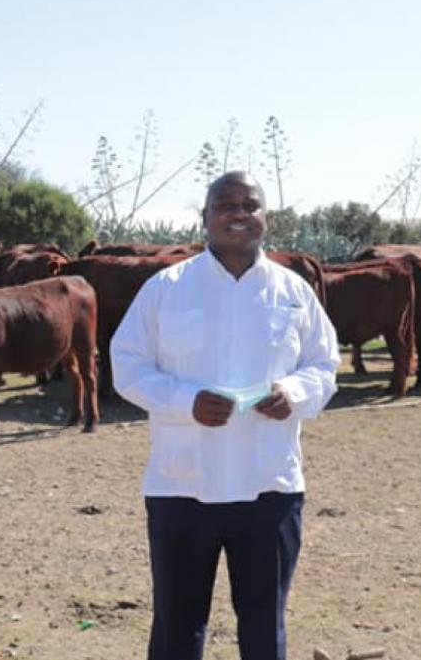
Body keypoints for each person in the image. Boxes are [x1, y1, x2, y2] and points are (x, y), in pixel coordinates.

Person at [112, 170, 340, 660]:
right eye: (225, 204)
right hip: (182, 486)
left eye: (250, 204)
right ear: (206, 217)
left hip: (269, 486)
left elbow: (324, 365)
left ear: (266, 217)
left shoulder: (293, 292)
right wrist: (184, 401)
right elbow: (126, 366)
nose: (238, 213)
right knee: (177, 626)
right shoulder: (166, 288)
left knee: (264, 626)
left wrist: (295, 393)